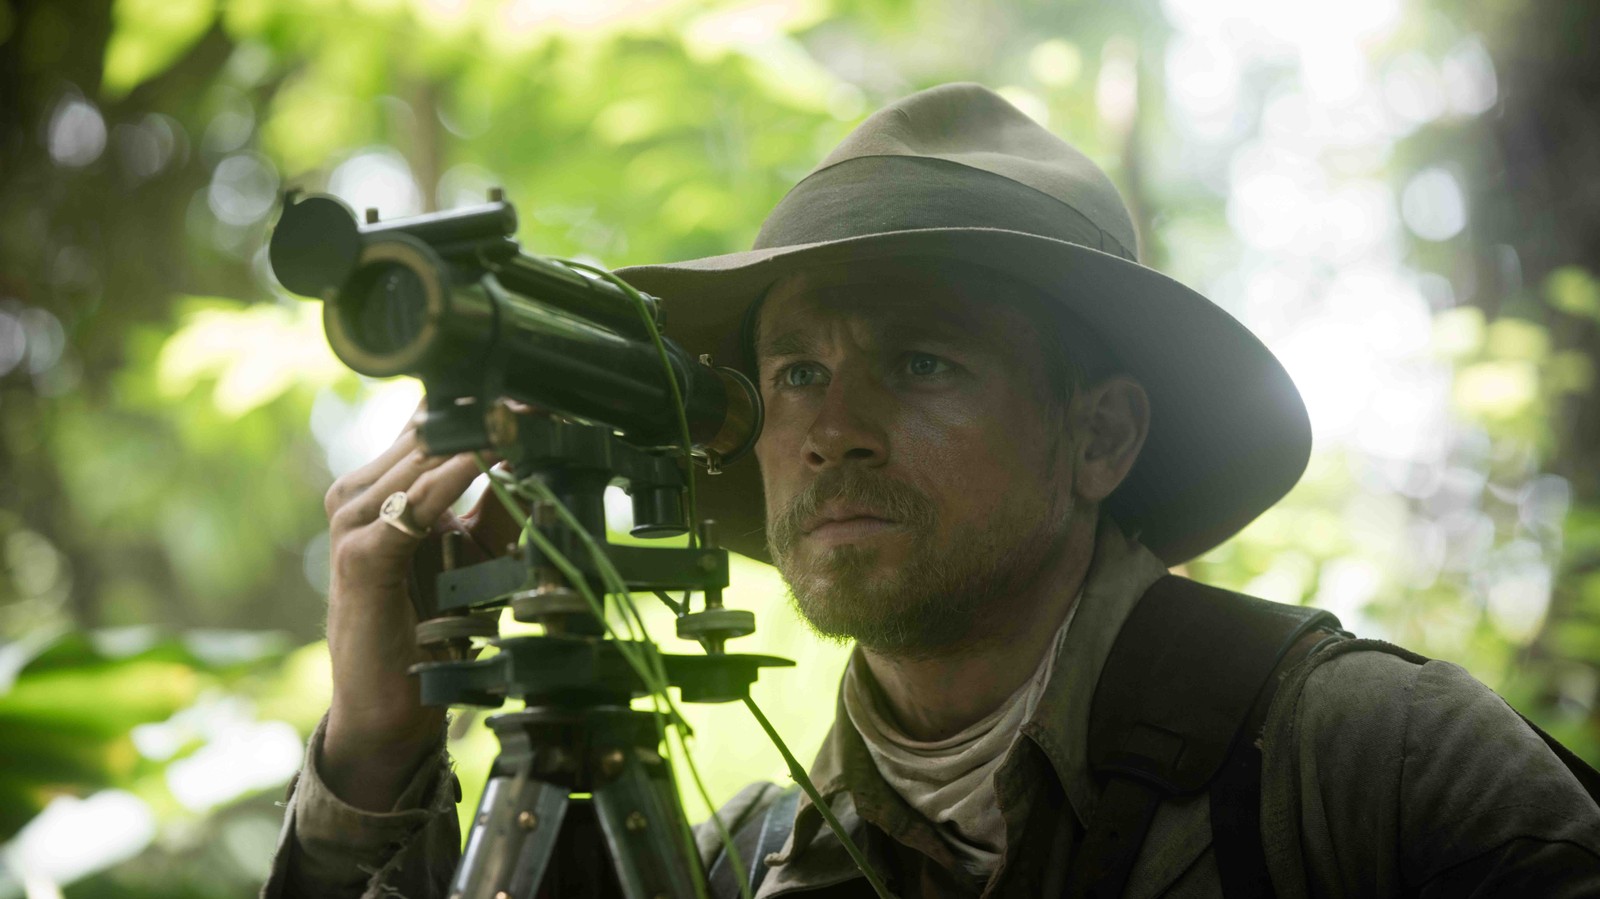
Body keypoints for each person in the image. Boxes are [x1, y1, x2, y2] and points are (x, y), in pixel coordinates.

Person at [263, 83, 1600, 898]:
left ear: (1101, 438)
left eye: (920, 362)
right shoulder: (751, 859)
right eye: (792, 374)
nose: (832, 429)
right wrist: (374, 755)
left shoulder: (1364, 764)